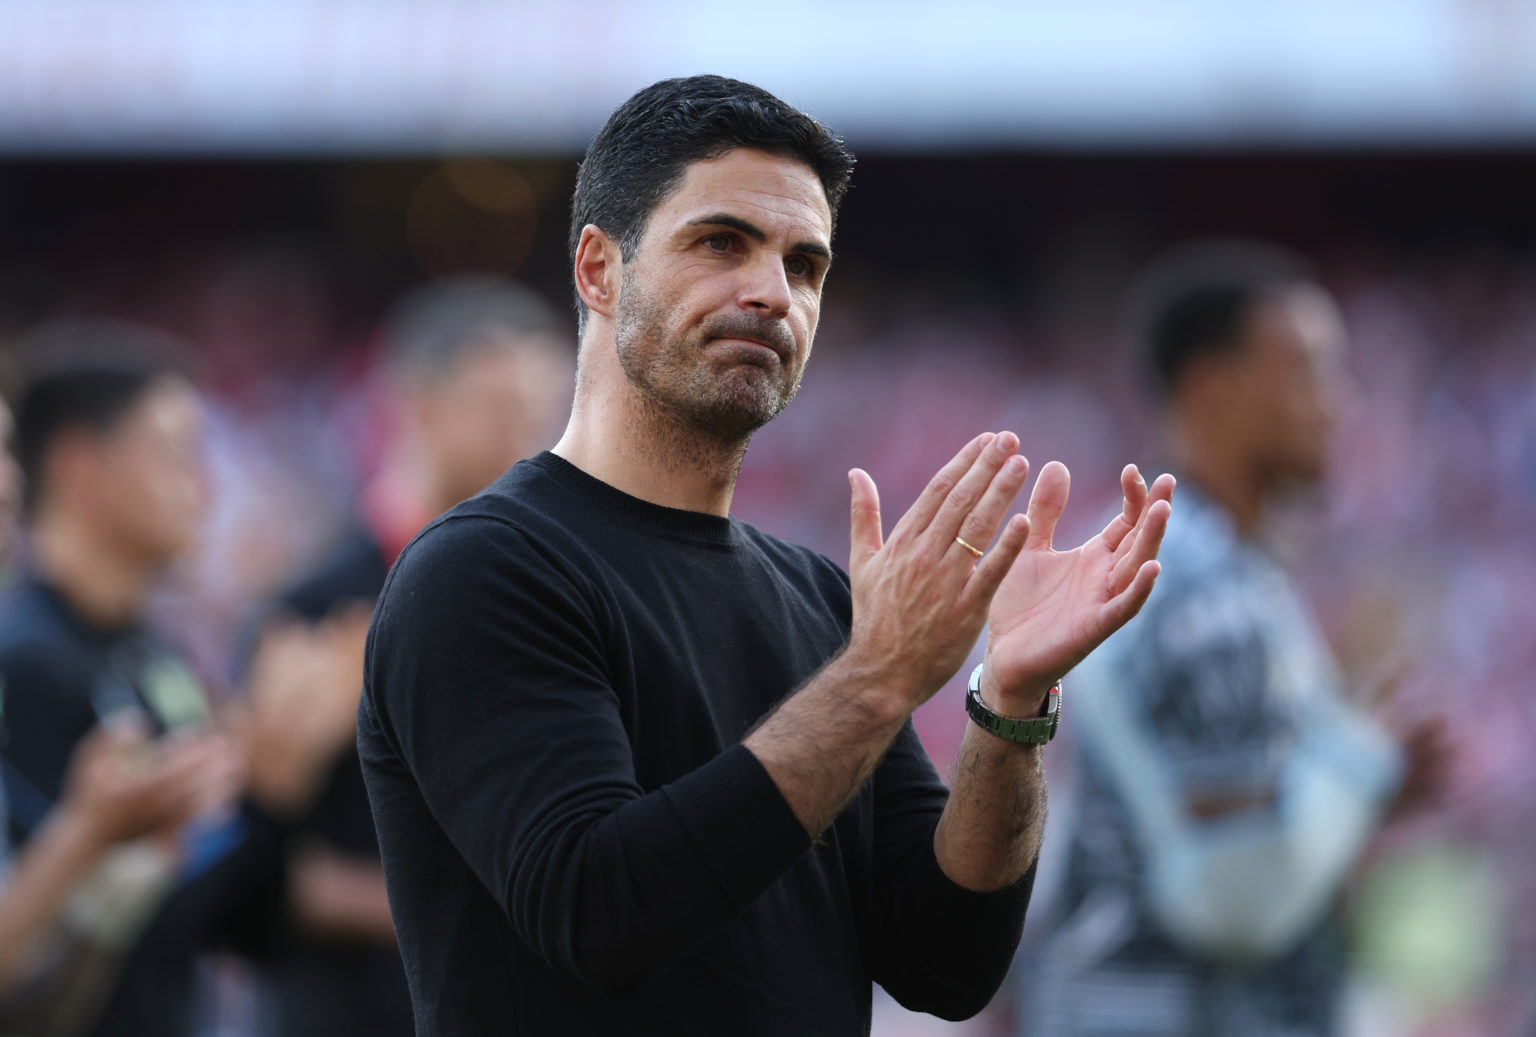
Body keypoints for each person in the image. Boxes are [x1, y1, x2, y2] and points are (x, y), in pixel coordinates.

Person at [358, 74, 1174, 1036]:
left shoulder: (821, 599)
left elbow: (946, 964)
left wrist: (1010, 707)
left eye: (806, 265)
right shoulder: (486, 570)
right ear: (597, 270)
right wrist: (876, 679)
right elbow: (597, 914)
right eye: (720, 242)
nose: (770, 292)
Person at [1023, 242, 1448, 1036]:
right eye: (1308, 370)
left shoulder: (1211, 567)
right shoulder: (1194, 586)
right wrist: (1366, 760)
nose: (1338, 403)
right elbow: (1234, 893)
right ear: (1212, 388)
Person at [0, 327, 351, 1037]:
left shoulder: (155, 655)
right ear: (81, 467)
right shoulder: (26, 662)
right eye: (176, 452)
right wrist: (266, 789)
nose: (206, 483)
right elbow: (64, 952)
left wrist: (275, 790)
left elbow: (233, 921)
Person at [246, 277, 571, 1037]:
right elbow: (266, 871)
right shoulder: (317, 608)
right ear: (419, 405)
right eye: (502, 409)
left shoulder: (554, 594)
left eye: (544, 413)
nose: (531, 439)